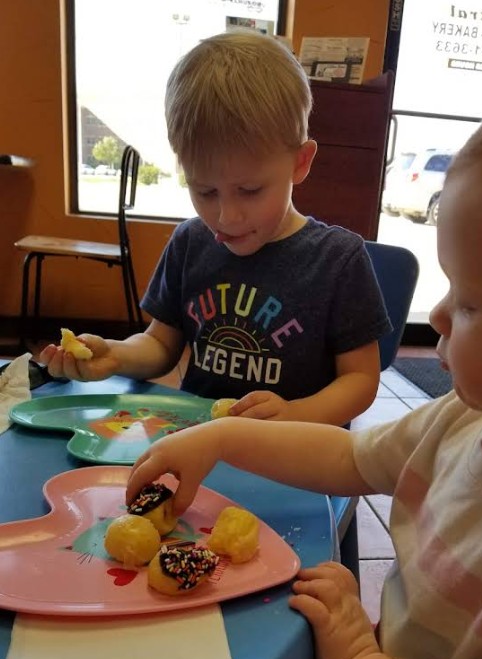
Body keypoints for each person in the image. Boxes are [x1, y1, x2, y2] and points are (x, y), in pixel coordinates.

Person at [125, 99, 482, 659]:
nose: (435, 315)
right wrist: (220, 437)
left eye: (469, 301)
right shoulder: (461, 421)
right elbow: (348, 459)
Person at [40, 31, 390, 426]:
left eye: (250, 190)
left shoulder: (338, 260)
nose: (226, 217)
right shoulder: (190, 242)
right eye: (204, 191)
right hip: (198, 441)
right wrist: (116, 355)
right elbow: (160, 345)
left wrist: (294, 415)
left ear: (300, 162)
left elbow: (360, 380)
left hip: (295, 450)